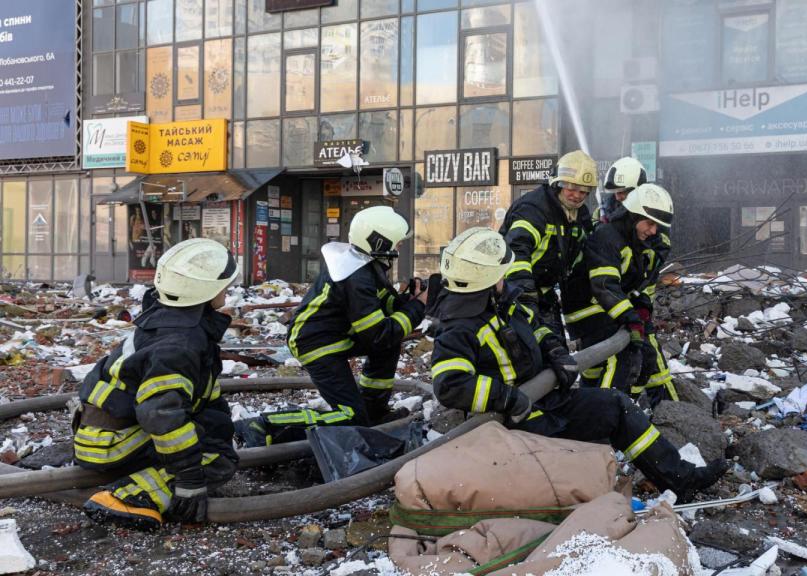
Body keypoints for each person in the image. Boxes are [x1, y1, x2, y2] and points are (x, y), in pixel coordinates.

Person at [429, 227, 726, 502]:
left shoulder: (501, 301)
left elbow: (535, 328)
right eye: (501, 272)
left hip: (546, 401)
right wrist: (507, 398)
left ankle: (680, 479)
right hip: (512, 425)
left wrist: (554, 350)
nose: (505, 277)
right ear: (487, 277)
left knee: (616, 406)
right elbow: (450, 384)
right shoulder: (458, 327)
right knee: (579, 461)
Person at [74, 238, 240, 529]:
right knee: (219, 460)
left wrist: (220, 429)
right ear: (206, 290)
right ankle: (129, 498)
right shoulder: (180, 345)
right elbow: (160, 415)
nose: (227, 290)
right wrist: (189, 477)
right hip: (112, 443)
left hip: (104, 433)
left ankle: (149, 473)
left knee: (212, 435)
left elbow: (203, 397)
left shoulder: (169, 321)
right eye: (224, 286)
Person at [235, 206, 426, 447]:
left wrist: (407, 301)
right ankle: (265, 426)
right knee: (350, 417)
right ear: (380, 242)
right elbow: (378, 334)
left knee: (388, 346)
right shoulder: (356, 276)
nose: (399, 247)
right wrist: (418, 306)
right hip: (315, 343)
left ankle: (373, 413)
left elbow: (377, 310)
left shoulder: (364, 265)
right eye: (397, 242)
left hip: (335, 335)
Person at [569, 183, 678, 407]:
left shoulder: (634, 240)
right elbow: (605, 286)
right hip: (588, 309)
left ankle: (620, 408)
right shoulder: (607, 237)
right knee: (623, 356)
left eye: (657, 226)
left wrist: (642, 305)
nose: (653, 231)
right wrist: (630, 318)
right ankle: (604, 415)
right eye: (650, 224)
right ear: (634, 215)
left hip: (606, 309)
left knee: (642, 357)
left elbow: (634, 284)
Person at [499, 150, 598, 344]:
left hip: (545, 293)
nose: (577, 196)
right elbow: (516, 250)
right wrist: (524, 295)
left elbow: (586, 251)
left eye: (583, 191)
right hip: (513, 290)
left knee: (555, 348)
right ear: (558, 183)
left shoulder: (580, 214)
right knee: (527, 350)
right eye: (572, 188)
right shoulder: (534, 209)